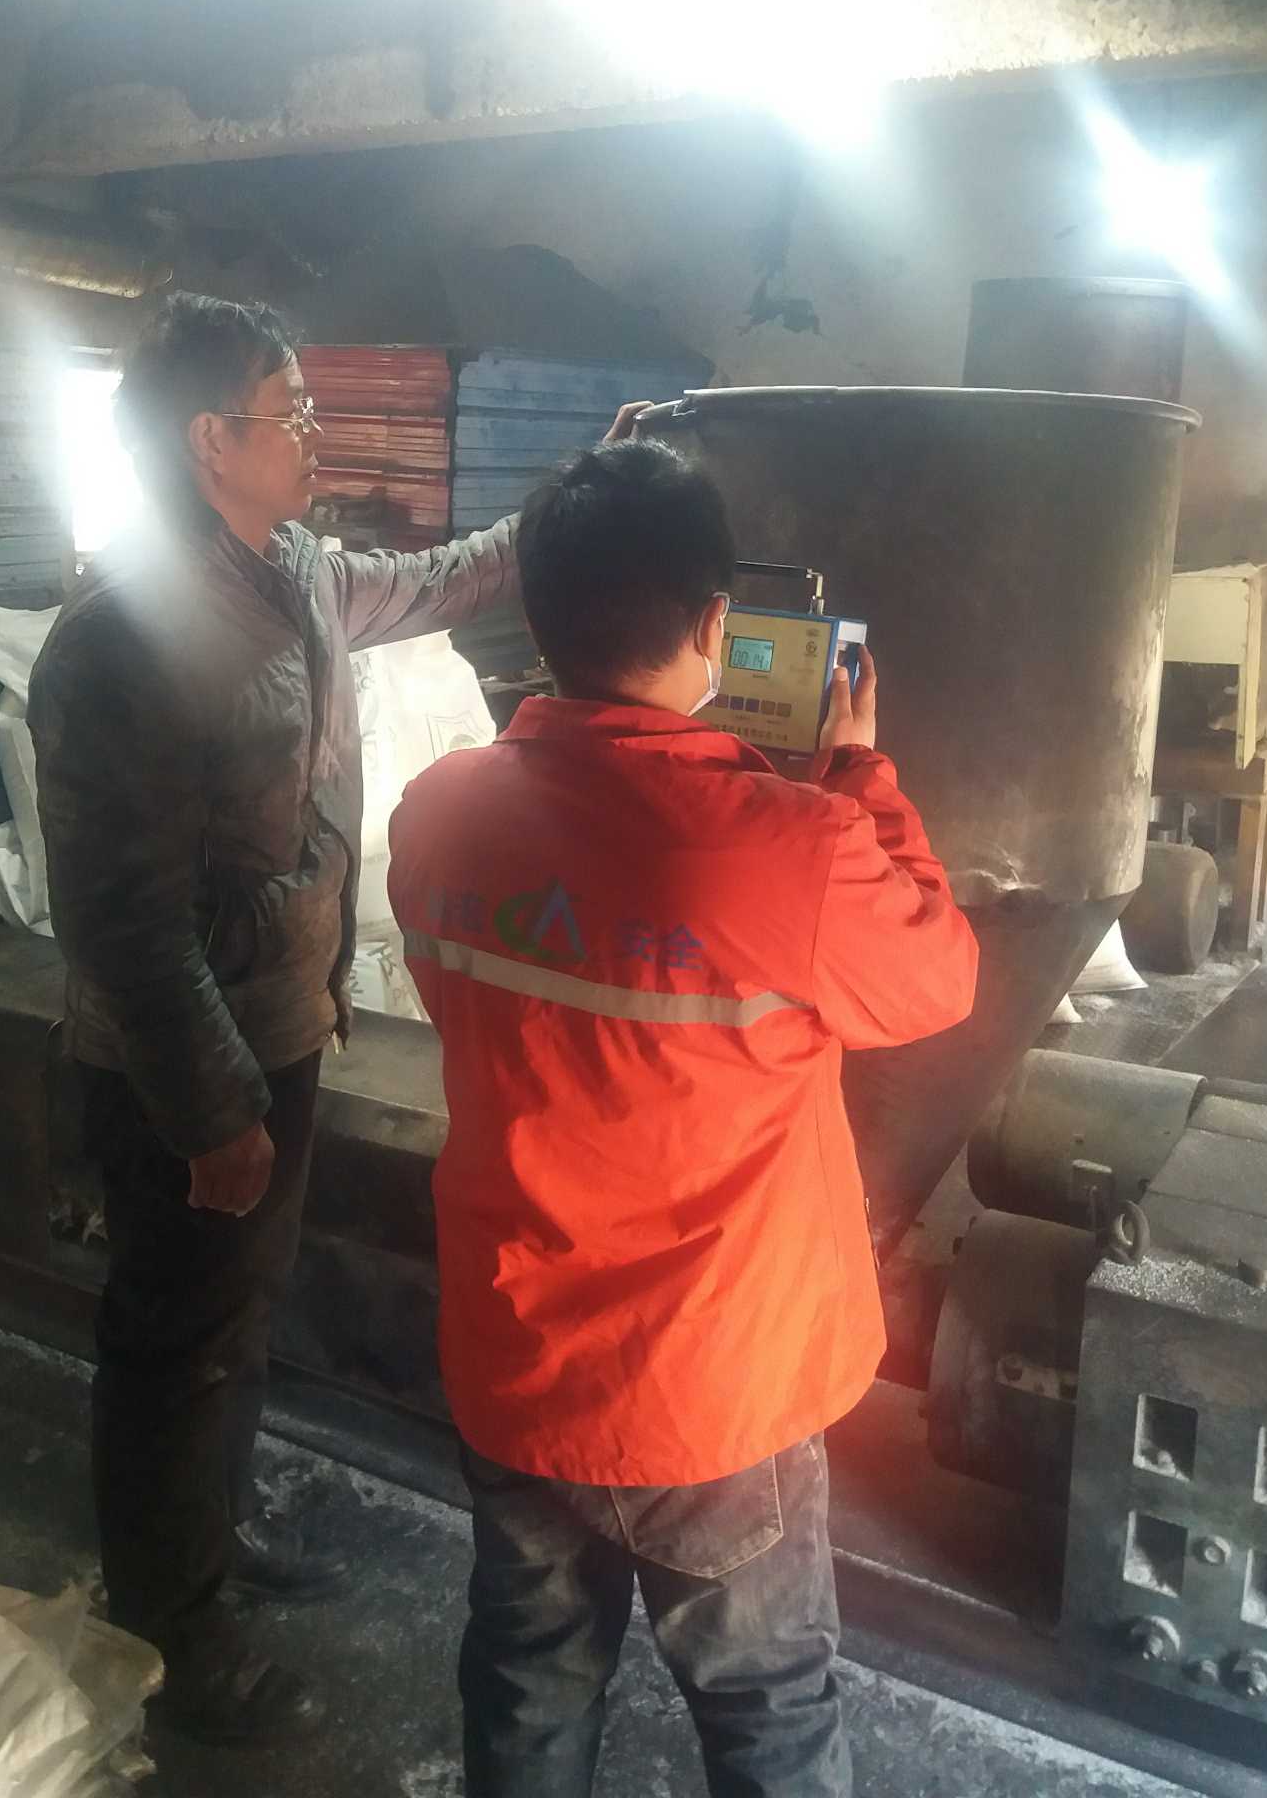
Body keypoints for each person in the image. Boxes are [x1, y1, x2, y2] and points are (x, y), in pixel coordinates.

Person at [387, 436, 979, 1798]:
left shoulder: (437, 815)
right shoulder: (792, 847)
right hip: (715, 1392)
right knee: (766, 1711)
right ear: (718, 625)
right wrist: (859, 783)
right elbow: (939, 978)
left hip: (518, 1362)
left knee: (529, 1680)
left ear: (535, 614)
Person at [30, 293, 536, 1745]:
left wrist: (565, 512)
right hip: (185, 1068)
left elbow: (433, 581)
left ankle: (209, 1537)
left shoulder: (295, 570)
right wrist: (214, 1113)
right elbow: (123, 921)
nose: (316, 431)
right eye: (290, 409)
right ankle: (171, 1640)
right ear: (209, 440)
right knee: (173, 1345)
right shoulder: (121, 641)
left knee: (232, 1324)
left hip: (283, 1022)